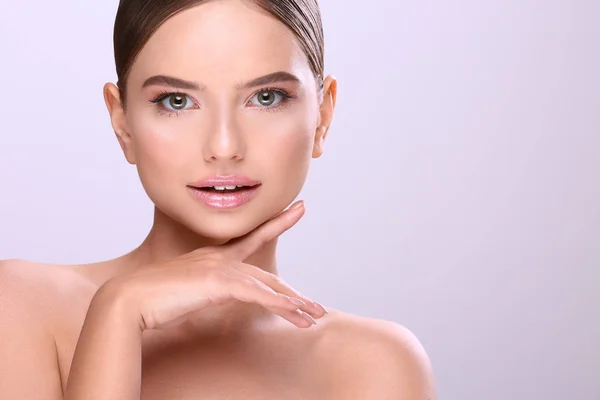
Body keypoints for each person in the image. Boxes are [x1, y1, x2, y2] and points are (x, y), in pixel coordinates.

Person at [0, 0, 437, 398]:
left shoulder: (373, 365)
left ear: (322, 116)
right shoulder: (20, 307)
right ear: (123, 123)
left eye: (266, 97)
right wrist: (117, 312)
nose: (224, 145)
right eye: (176, 101)